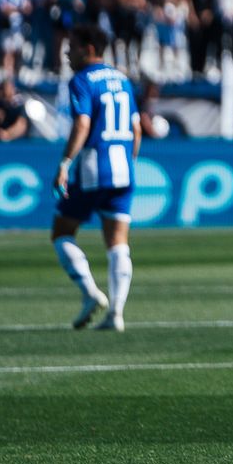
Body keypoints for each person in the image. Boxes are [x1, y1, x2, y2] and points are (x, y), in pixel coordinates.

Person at [50, 22, 141, 332]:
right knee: (117, 243)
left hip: (93, 166)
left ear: (88, 49)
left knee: (62, 232)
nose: (66, 53)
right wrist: (131, 162)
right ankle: (116, 314)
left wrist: (65, 163)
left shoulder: (82, 80)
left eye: (71, 46)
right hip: (124, 169)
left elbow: (82, 124)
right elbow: (137, 129)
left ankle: (90, 292)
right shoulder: (123, 80)